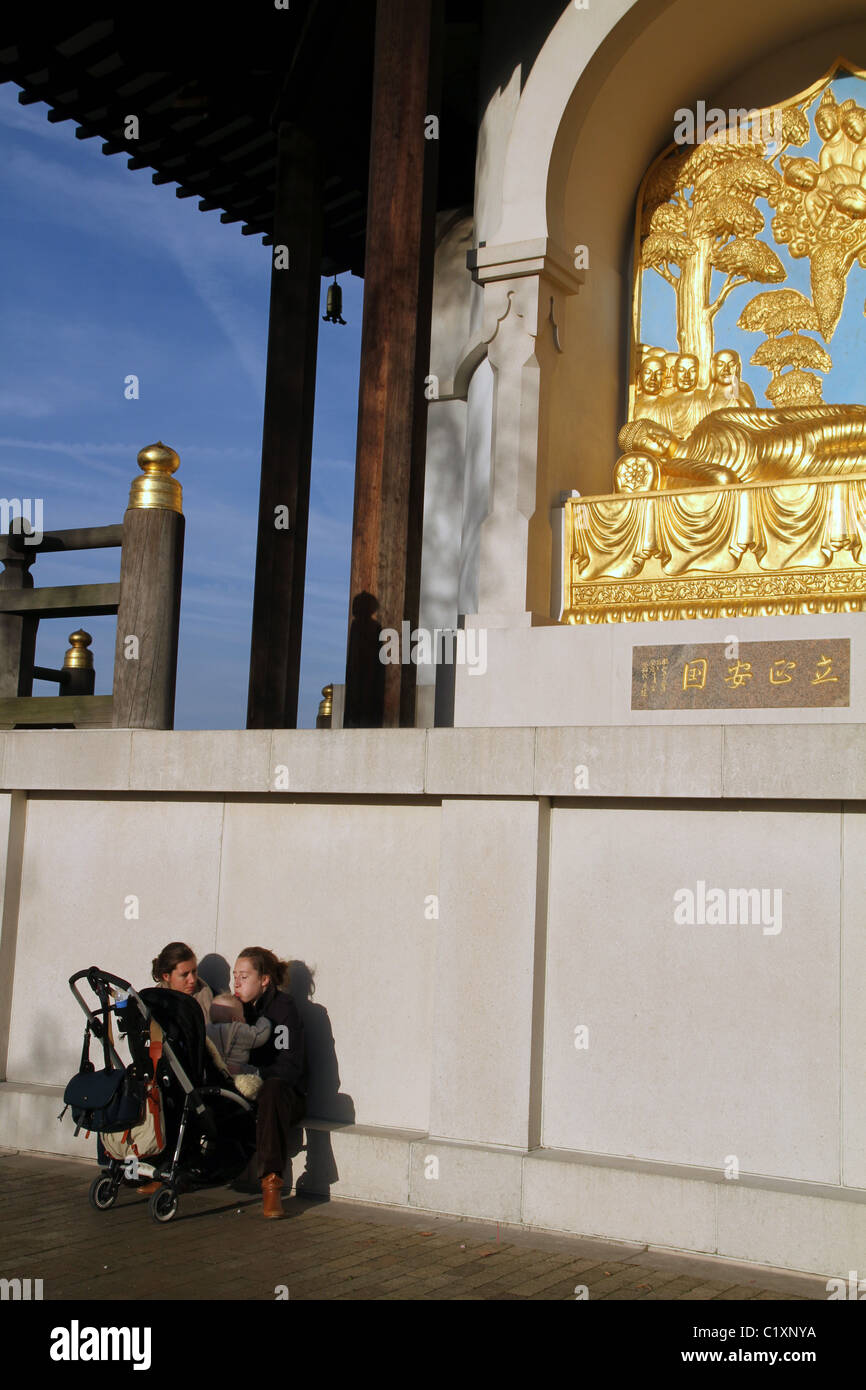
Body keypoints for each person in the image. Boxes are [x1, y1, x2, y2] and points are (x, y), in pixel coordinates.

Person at [232, 947, 307, 1219]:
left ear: (264, 980)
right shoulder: (233, 1007)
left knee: (273, 1088)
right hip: (242, 1086)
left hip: (284, 1095)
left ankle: (272, 1182)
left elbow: (289, 1065)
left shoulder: (283, 1009)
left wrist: (254, 1075)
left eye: (244, 976)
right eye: (234, 976)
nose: (237, 982)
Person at [206, 993, 272, 1099]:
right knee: (256, 1074)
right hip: (238, 1072)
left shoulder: (207, 1030)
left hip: (215, 1073)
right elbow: (259, 1036)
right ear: (235, 1019)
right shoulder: (238, 1029)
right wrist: (263, 1020)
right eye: (243, 1015)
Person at [151, 942, 214, 1022]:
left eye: (194, 971)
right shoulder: (153, 1002)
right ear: (166, 976)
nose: (192, 980)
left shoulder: (205, 998)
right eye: (184, 975)